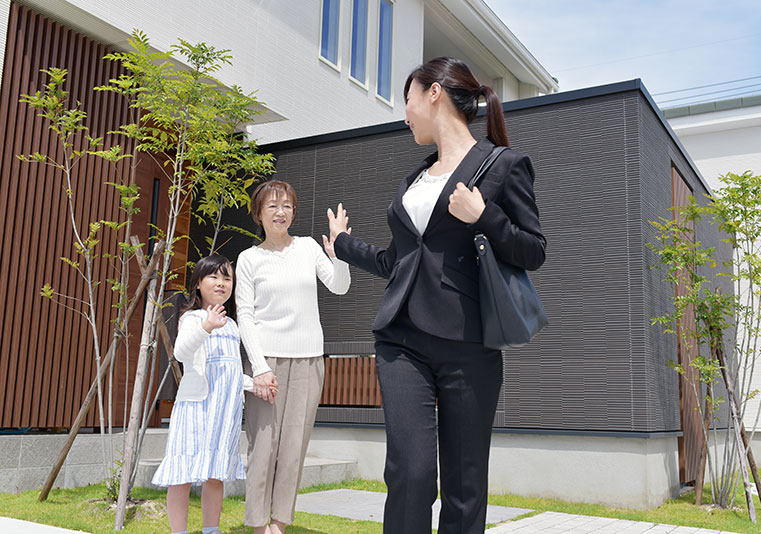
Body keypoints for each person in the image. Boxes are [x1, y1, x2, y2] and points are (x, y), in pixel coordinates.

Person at [326, 57, 546, 534]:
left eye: (407, 99)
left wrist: (484, 215)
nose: (404, 113)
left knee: (465, 486)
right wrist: (343, 245)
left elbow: (533, 251)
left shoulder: (504, 165)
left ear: (434, 93)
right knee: (411, 471)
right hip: (401, 341)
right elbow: (396, 263)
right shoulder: (413, 180)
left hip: (469, 344)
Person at [236, 179, 351, 534]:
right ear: (258, 213)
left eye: (286, 205)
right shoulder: (249, 259)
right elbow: (245, 315)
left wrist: (340, 250)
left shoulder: (307, 249)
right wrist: (259, 368)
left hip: (308, 361)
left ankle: (279, 524)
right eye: (271, 206)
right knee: (263, 447)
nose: (280, 212)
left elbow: (339, 285)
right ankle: (257, 524)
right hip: (266, 361)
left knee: (293, 447)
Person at [152, 254, 254, 534]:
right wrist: (206, 326)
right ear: (198, 283)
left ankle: (211, 529)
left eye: (227, 278)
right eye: (214, 276)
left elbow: (230, 371)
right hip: (196, 410)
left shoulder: (232, 326)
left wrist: (256, 385)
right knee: (182, 474)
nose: (221, 283)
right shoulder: (193, 318)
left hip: (224, 414)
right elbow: (181, 353)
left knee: (215, 473)